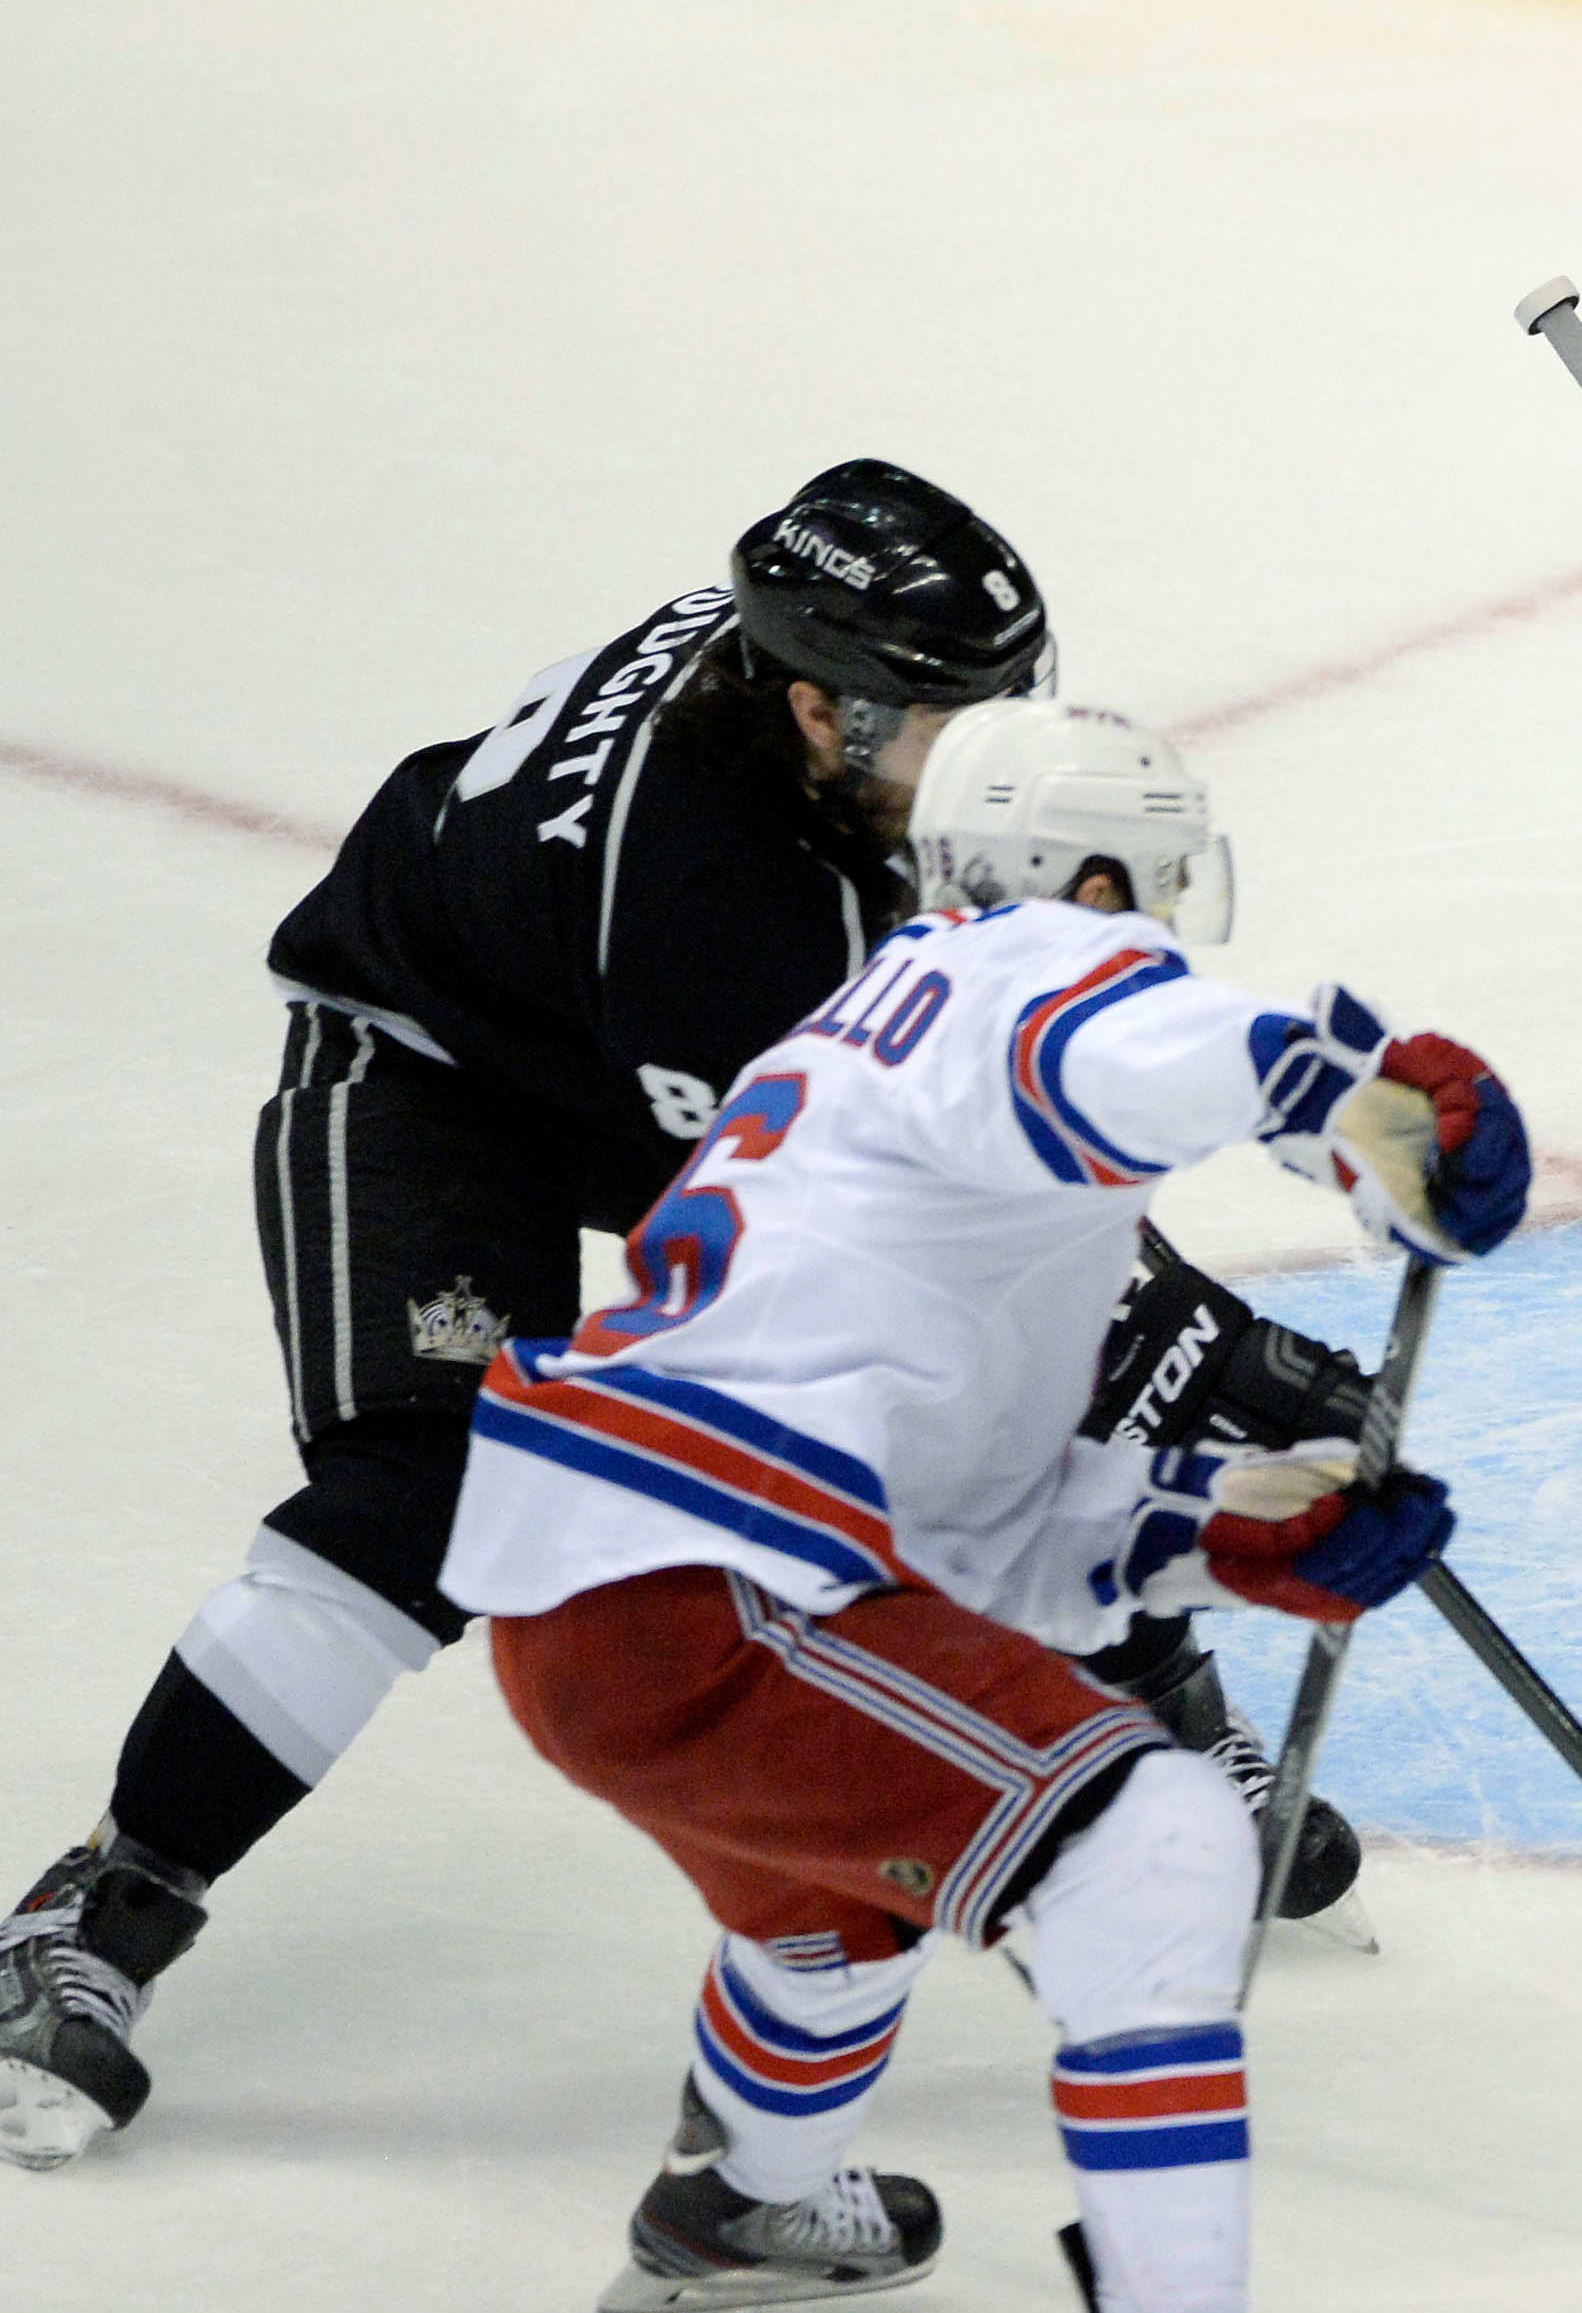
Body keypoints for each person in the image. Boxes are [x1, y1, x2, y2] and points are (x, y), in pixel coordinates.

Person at [0, 465, 1338, 2177]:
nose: (990, 757)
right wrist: (1177, 1334)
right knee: (427, 1494)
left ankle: (1163, 1719)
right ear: (819, 710)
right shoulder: (710, 891)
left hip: (626, 1035)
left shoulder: (813, 732)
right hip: (431, 1069)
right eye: (954, 722)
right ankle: (92, 1915)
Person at [440, 697, 1525, 2313]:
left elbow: (970, 1534)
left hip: (623, 1591)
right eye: (1149, 893)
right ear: (1088, 881)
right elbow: (1138, 1047)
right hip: (714, 1587)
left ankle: (742, 2206)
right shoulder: (1020, 971)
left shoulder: (884, 1040)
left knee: (828, 1925)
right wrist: (1347, 1108)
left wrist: (1220, 1526)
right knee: (1155, 1843)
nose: (1155, 932)